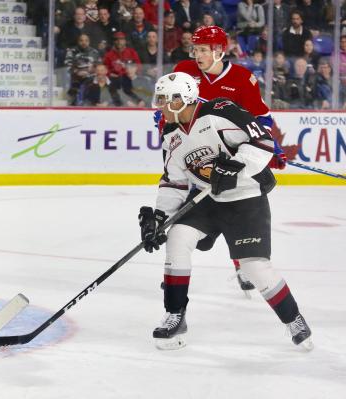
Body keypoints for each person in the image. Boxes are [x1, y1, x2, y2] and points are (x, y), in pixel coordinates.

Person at [142, 71, 313, 351]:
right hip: (207, 200)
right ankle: (175, 314)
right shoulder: (171, 134)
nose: (159, 106)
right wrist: (159, 217)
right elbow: (175, 180)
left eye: (164, 100)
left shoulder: (220, 111)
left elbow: (262, 142)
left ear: (181, 99)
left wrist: (236, 166)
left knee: (253, 266)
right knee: (177, 238)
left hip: (245, 197)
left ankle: (293, 318)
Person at [158, 25, 288, 294]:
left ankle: (243, 264)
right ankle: (176, 268)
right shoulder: (184, 70)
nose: (196, 55)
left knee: (236, 207)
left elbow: (260, 119)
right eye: (194, 49)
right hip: (195, 157)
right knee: (184, 217)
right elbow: (166, 107)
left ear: (220, 51)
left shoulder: (242, 78)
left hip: (229, 161)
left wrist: (272, 146)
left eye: (203, 49)